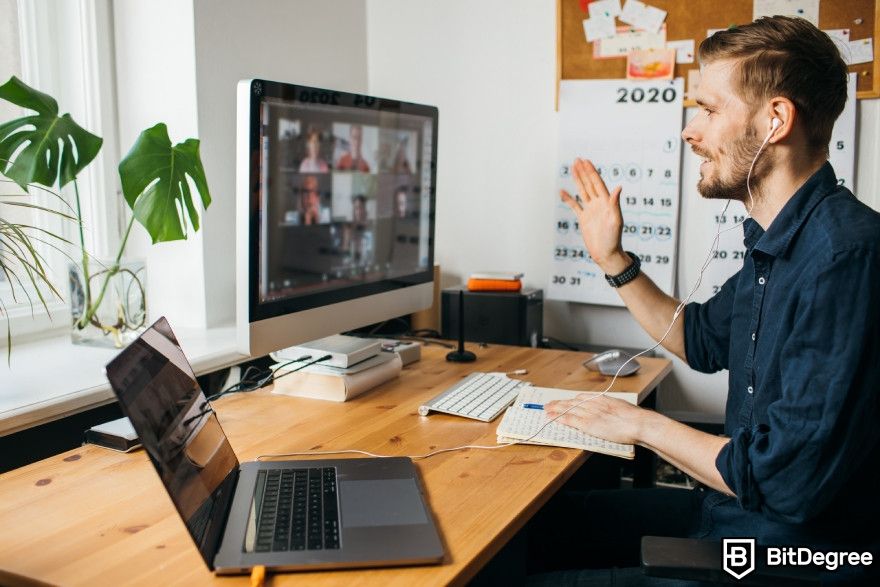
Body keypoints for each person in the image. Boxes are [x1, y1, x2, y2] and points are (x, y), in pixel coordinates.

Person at [528, 16, 880, 585]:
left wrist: (641, 426)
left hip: (793, 556)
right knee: (534, 532)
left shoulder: (845, 258)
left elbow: (785, 481)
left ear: (776, 120)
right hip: (734, 515)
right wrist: (611, 259)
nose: (691, 131)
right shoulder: (780, 241)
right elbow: (698, 339)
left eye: (710, 110)